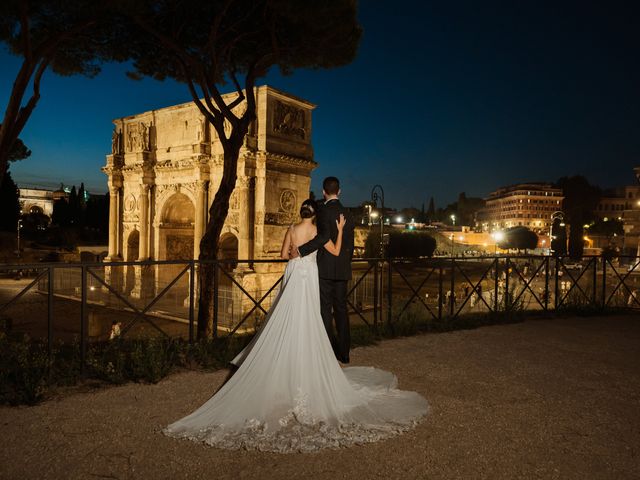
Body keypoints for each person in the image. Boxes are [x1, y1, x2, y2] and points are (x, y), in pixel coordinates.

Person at [163, 199, 428, 453]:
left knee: (286, 316)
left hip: (293, 273)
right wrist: (337, 231)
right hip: (309, 276)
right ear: (314, 214)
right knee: (309, 317)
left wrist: (294, 253)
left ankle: (282, 357)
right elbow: (335, 251)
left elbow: (283, 255)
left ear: (300, 213)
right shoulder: (318, 231)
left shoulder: (291, 229)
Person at [293, 176, 354, 363]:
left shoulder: (322, 211)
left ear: (323, 192)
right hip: (343, 268)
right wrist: (346, 262)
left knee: (325, 310)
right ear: (340, 191)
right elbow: (349, 246)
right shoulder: (349, 213)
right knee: (342, 311)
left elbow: (324, 237)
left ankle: (327, 352)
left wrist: (302, 250)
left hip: (325, 268)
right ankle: (344, 353)